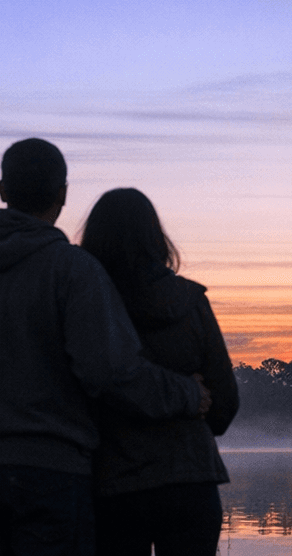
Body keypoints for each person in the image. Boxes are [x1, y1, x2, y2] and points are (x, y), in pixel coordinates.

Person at [0, 139, 211, 556]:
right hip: (52, 475)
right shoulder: (74, 270)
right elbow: (110, 371)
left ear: (2, 190)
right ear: (63, 193)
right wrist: (189, 393)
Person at [77, 188, 238, 556]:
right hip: (190, 480)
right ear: (156, 236)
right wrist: (191, 405)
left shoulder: (86, 304)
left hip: (113, 485)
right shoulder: (191, 302)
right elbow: (225, 403)